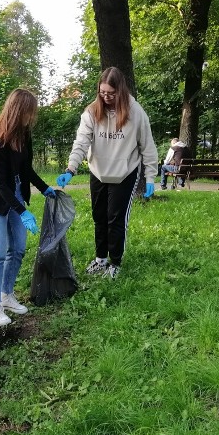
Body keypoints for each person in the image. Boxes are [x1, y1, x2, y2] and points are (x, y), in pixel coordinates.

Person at [56, 67, 158, 279]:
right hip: (98, 172)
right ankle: (100, 258)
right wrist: (71, 168)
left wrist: (150, 177)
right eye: (103, 93)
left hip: (125, 173)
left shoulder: (136, 112)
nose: (107, 97)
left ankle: (115, 262)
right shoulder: (92, 112)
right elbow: (81, 142)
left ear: (120, 90)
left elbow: (147, 147)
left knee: (115, 218)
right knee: (99, 216)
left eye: (111, 94)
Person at [0, 89, 54, 326]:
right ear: (19, 110)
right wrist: (22, 212)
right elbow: (0, 184)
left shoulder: (24, 135)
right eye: (30, 111)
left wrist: (44, 188)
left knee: (18, 249)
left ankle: (6, 294)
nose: (32, 116)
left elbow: (26, 169)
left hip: (16, 193)